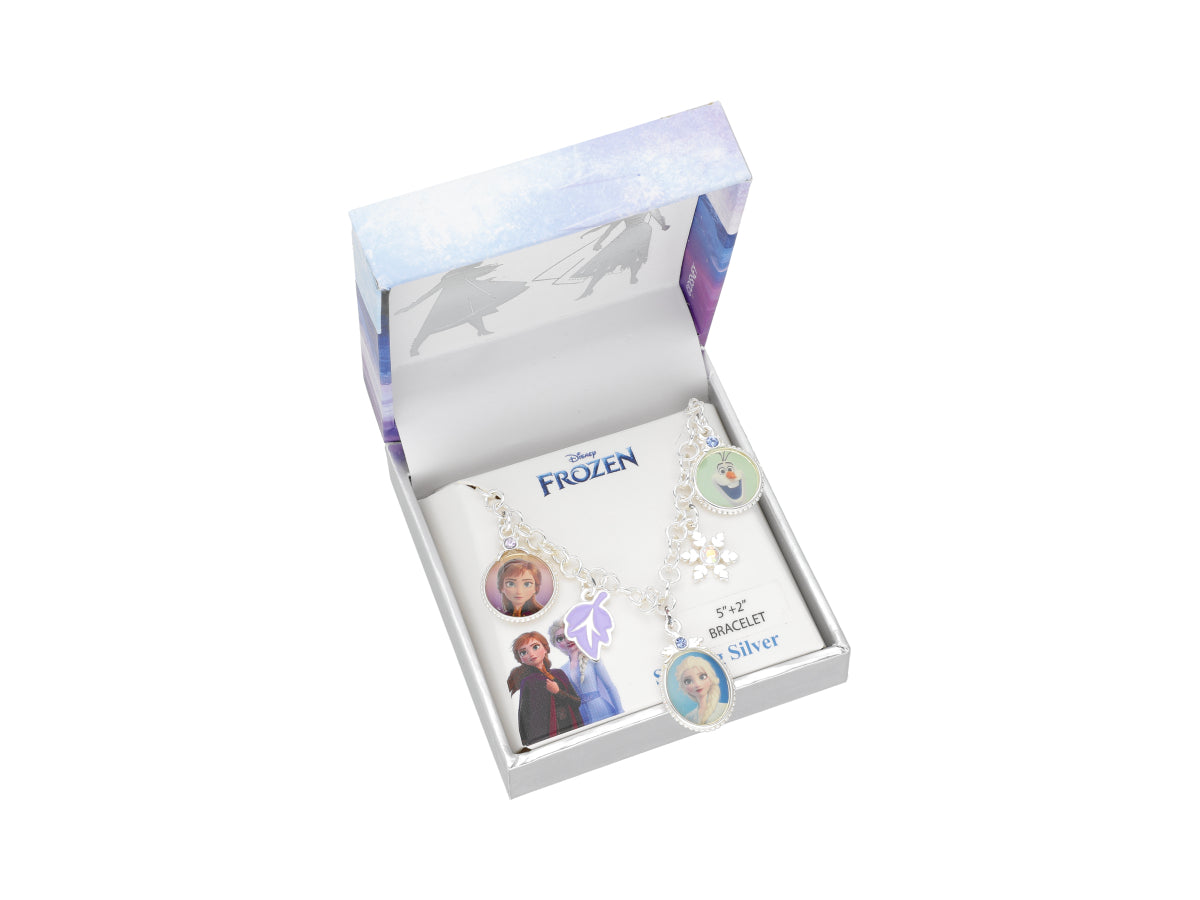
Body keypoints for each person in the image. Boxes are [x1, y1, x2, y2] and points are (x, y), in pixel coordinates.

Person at [506, 632, 582, 746]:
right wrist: (527, 743)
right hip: (548, 737)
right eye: (523, 652)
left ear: (545, 649)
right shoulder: (528, 682)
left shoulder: (559, 674)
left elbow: (577, 702)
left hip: (572, 728)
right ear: (521, 659)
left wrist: (558, 692)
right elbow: (524, 715)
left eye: (535, 647)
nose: (531, 654)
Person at [548, 618, 623, 725]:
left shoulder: (592, 658)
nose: (567, 640)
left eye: (569, 634)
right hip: (580, 715)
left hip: (601, 709)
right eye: (560, 638)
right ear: (555, 644)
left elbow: (609, 687)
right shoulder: (562, 670)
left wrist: (620, 712)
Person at [674, 654, 728, 727]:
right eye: (688, 681)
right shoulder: (689, 717)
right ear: (683, 687)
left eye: (702, 677)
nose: (697, 684)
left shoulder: (724, 708)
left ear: (711, 678)